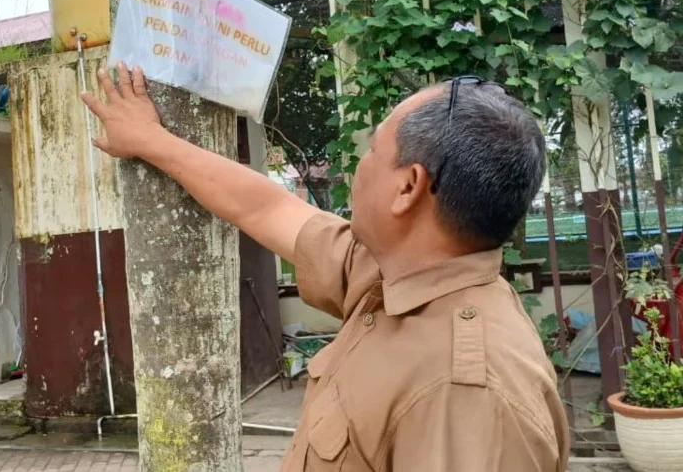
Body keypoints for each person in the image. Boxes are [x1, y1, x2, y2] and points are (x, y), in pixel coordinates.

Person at [82, 63, 570, 472]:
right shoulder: (388, 273)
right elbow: (268, 210)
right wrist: (150, 140)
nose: (360, 165)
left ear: (409, 187)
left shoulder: (468, 395)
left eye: (373, 150)